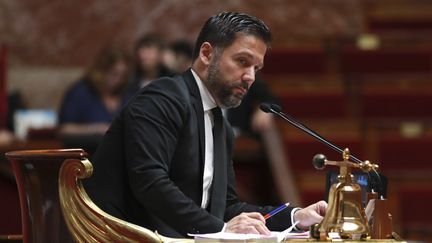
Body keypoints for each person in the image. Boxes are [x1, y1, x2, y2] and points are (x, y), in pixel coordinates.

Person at [84, 12, 326, 238]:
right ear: (207, 54)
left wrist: (296, 217)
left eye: (256, 68)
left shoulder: (218, 122)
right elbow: (150, 182)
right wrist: (221, 230)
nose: (251, 76)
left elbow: (228, 207)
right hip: (116, 236)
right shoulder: (162, 99)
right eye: (242, 61)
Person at [58, 44, 131, 153]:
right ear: (101, 71)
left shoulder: (125, 94)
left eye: (122, 76)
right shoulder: (81, 92)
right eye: (114, 74)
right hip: (88, 155)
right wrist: (96, 129)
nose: (118, 80)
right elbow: (64, 130)